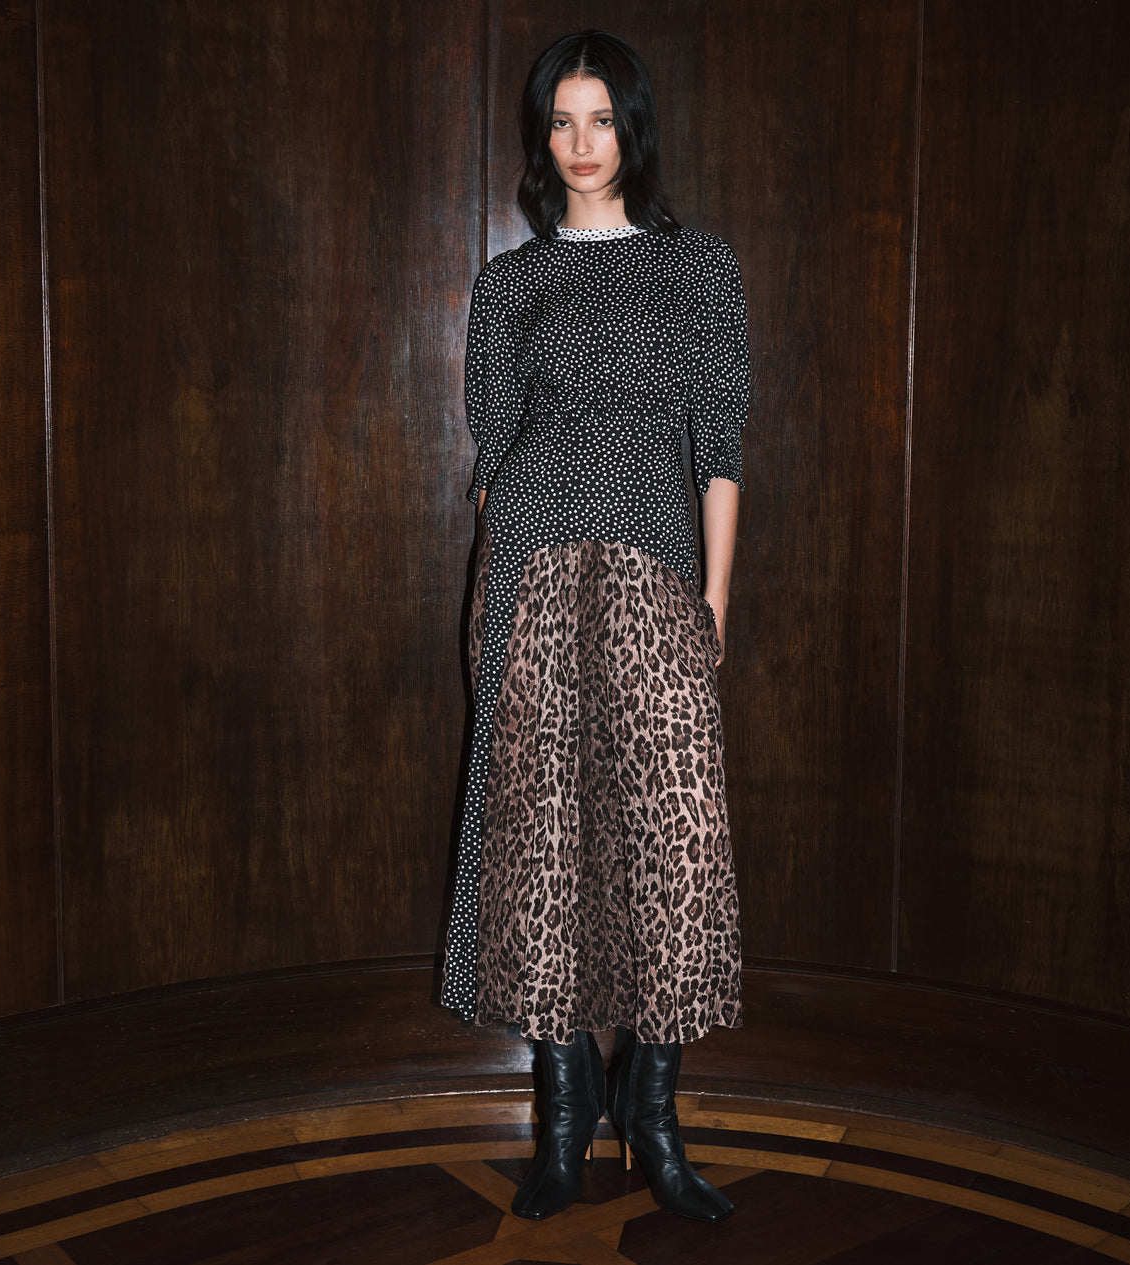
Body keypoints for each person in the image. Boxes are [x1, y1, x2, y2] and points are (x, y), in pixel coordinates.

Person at [442, 29, 749, 1224]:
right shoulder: (509, 284)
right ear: (543, 134)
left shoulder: (697, 268)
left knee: (679, 838)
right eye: (562, 121)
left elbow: (717, 448)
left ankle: (652, 1113)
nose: (580, 143)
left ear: (633, 129)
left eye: (601, 119)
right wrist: (499, 577)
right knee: (538, 841)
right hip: (528, 569)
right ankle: (563, 1114)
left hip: (655, 570)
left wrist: (712, 600)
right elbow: (492, 454)